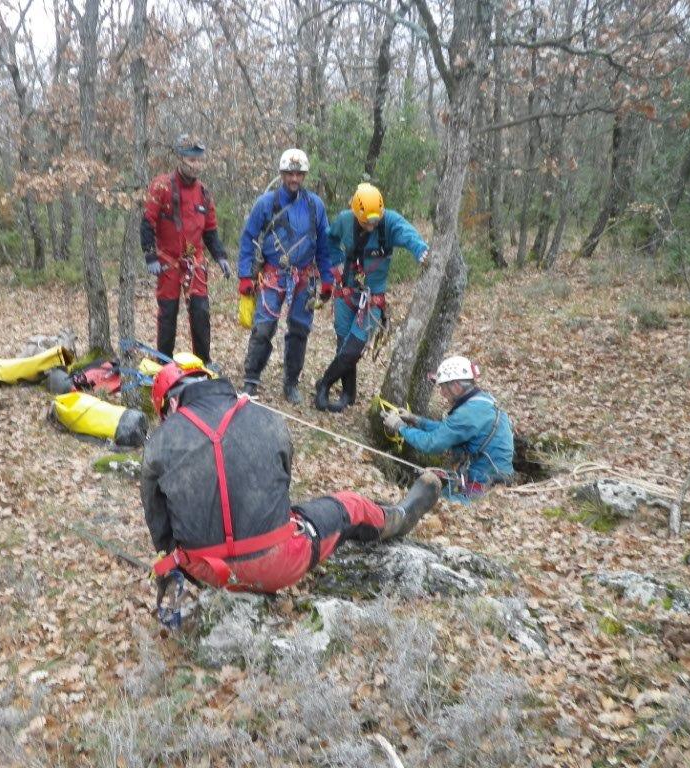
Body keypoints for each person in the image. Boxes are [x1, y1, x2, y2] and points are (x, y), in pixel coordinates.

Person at [141, 361, 442, 607]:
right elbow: (281, 481)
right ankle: (400, 517)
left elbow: (161, 534)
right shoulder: (266, 418)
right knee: (350, 505)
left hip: (205, 570)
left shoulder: (158, 443)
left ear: (173, 401)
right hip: (277, 563)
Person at [314, 182, 429, 412]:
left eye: (375, 220)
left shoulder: (389, 223)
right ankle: (348, 393)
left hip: (372, 298)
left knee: (355, 347)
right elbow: (329, 239)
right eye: (367, 221)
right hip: (345, 292)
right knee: (343, 341)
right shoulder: (346, 220)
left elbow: (408, 234)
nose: (372, 224)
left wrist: (421, 250)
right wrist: (335, 266)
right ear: (357, 214)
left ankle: (324, 384)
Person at [237, 149, 333, 404]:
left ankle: (291, 383)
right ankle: (251, 378)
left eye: (299, 174)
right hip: (272, 275)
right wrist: (245, 276)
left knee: (300, 329)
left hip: (304, 277)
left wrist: (327, 279)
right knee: (264, 327)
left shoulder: (315, 206)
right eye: (289, 173)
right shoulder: (265, 204)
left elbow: (324, 245)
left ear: (304, 175)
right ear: (281, 174)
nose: (294, 178)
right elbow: (248, 238)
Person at [142, 134, 230, 364]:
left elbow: (210, 230)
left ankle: (204, 361)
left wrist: (220, 256)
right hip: (168, 260)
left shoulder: (204, 192)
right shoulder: (161, 185)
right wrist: (150, 255)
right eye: (191, 160)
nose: (196, 165)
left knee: (201, 311)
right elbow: (147, 222)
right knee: (168, 312)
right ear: (180, 159)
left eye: (199, 161)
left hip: (195, 260)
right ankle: (164, 362)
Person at [382, 355, 514, 499]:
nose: (442, 393)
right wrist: (416, 420)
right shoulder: (482, 401)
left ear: (456, 386)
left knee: (429, 508)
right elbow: (449, 430)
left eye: (443, 388)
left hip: (481, 488)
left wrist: (400, 427)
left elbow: (431, 443)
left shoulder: (467, 414)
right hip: (492, 478)